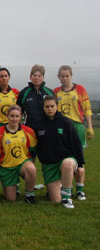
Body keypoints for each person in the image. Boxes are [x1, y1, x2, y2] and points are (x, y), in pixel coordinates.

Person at [35, 96, 84, 208]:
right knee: (55, 200)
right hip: (49, 165)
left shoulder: (66, 122)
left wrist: (80, 164)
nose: (50, 109)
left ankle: (67, 197)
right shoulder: (38, 124)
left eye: (52, 106)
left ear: (57, 106)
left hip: (65, 159)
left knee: (67, 164)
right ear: (43, 108)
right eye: (47, 107)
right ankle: (63, 186)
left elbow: (76, 144)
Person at [54, 65, 93, 201]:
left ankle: (80, 189)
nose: (64, 78)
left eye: (67, 76)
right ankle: (65, 187)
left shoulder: (80, 89)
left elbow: (86, 108)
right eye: (62, 76)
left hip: (77, 126)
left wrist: (89, 127)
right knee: (62, 157)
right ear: (58, 77)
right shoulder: (56, 91)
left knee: (79, 158)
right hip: (62, 127)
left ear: (71, 76)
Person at [0, 105, 37, 203]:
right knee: (11, 199)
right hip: (7, 167)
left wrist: (31, 166)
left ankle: (30, 195)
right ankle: (13, 186)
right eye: (12, 116)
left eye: (17, 116)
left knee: (31, 168)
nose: (14, 119)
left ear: (20, 117)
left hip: (22, 163)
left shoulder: (28, 131)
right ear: (7, 116)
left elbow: (33, 149)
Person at [0, 67, 20, 195]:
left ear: (9, 77)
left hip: (12, 128)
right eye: (1, 76)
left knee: (13, 157)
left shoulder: (16, 93)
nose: (4, 78)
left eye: (6, 75)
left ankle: (15, 186)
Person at [17, 65, 54, 131]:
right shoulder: (24, 93)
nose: (37, 78)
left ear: (43, 77)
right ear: (30, 77)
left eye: (39, 76)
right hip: (30, 129)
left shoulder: (49, 92)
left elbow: (56, 111)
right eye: (34, 75)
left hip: (48, 128)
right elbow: (18, 112)